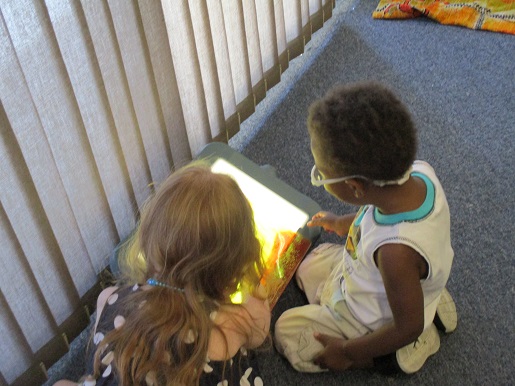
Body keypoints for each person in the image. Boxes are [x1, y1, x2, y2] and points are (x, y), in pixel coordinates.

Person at [274, 82, 457, 375]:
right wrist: (338, 223)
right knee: (309, 264)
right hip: (381, 280)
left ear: (354, 186)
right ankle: (426, 298)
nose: (319, 174)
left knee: (286, 333)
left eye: (321, 173)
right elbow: (369, 214)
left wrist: (347, 352)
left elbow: (406, 326)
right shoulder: (418, 172)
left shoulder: (396, 252)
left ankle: (398, 353)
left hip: (380, 320)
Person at [54, 162, 271, 386]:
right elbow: (260, 331)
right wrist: (252, 277)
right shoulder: (235, 323)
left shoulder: (109, 299)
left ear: (148, 238)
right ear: (233, 273)